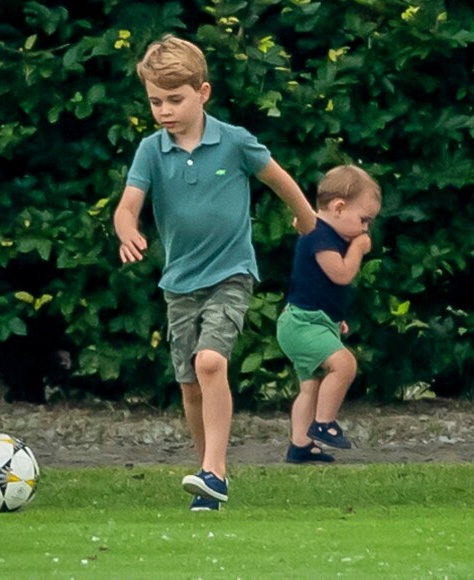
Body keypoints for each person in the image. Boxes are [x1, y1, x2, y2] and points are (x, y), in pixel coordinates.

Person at [113, 35, 316, 510]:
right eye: (155, 101)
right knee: (190, 385)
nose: (164, 110)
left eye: (175, 99)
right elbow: (128, 207)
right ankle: (208, 476)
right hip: (179, 285)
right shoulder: (150, 151)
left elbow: (279, 178)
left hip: (231, 274)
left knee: (210, 362)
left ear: (202, 93)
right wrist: (127, 231)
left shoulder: (235, 142)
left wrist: (307, 220)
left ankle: (215, 471)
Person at [276, 165, 381, 464]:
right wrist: (359, 248)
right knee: (344, 364)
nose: (365, 230)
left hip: (311, 321)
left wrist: (335, 317)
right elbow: (341, 274)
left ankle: (300, 445)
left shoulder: (324, 235)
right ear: (338, 208)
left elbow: (318, 286)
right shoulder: (318, 235)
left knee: (310, 387)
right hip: (302, 323)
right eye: (363, 221)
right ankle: (324, 424)